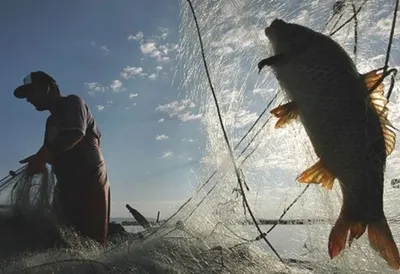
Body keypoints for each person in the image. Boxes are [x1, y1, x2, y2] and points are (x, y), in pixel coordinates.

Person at [13, 71, 110, 245]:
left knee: (92, 241)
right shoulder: (50, 122)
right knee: (61, 239)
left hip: (91, 183)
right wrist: (37, 160)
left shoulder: (73, 102)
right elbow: (49, 151)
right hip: (65, 187)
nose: (28, 100)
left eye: (30, 93)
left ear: (46, 87)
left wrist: (42, 156)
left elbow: (75, 133)